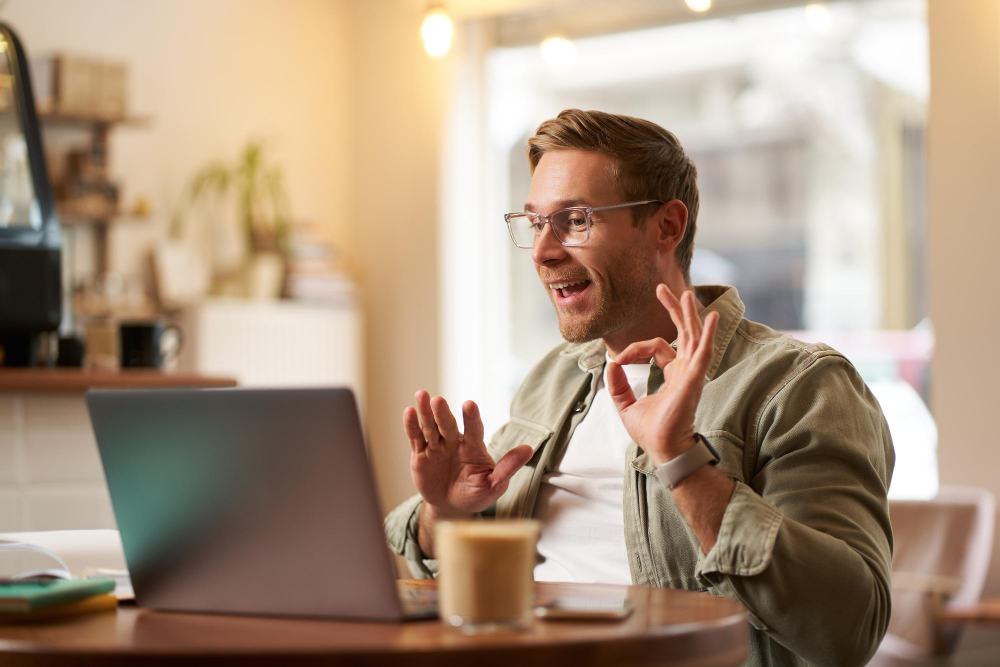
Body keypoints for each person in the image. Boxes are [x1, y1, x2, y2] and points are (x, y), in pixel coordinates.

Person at [384, 109, 894, 666]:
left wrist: (681, 460)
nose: (544, 251)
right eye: (535, 223)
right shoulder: (552, 378)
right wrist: (445, 511)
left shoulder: (799, 386)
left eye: (575, 220)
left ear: (666, 227)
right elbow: (452, 562)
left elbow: (848, 629)